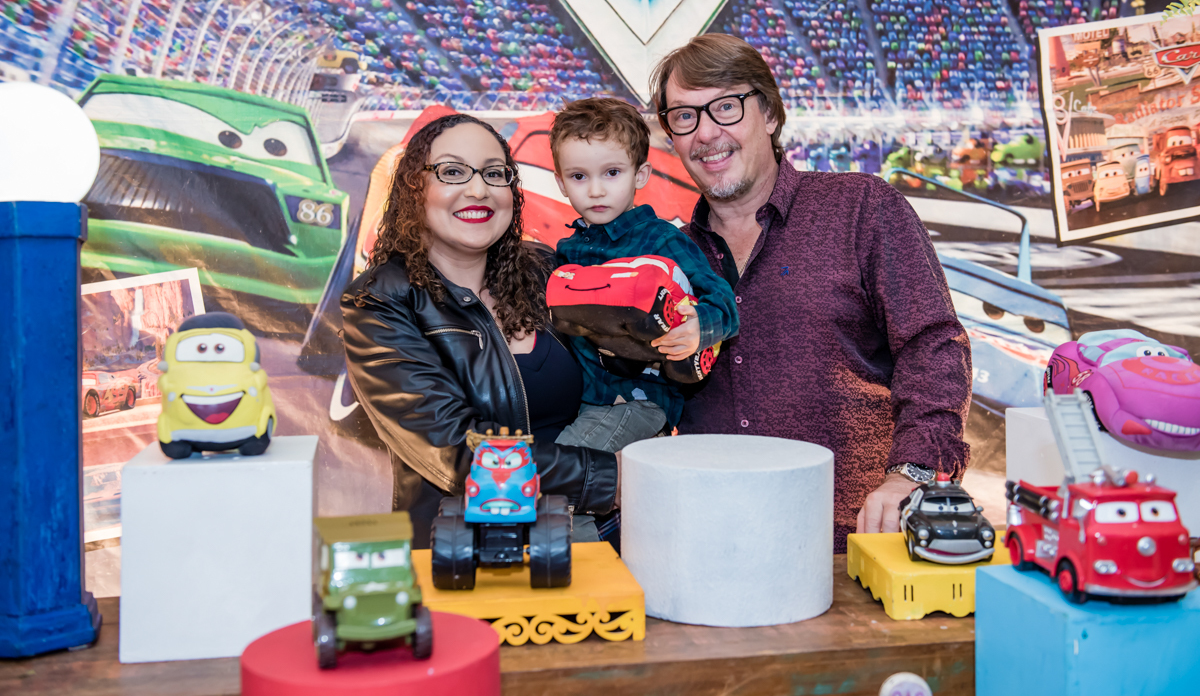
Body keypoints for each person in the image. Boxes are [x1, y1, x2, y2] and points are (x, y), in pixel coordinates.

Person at [649, 35, 972, 552]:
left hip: (852, 547)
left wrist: (912, 473)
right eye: (684, 116)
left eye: (726, 107)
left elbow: (933, 348)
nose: (706, 133)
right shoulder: (668, 259)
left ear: (769, 114)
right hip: (711, 543)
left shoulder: (860, 208)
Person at [340, 113, 618, 546]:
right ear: (415, 187)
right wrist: (612, 479)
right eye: (452, 172)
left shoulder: (545, 270)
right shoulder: (379, 301)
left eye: (493, 173)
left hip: (594, 539)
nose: (478, 190)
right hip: (470, 553)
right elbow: (457, 452)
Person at [547, 97, 740, 491]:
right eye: (579, 176)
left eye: (612, 173)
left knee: (558, 478)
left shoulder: (661, 241)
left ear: (640, 175)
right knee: (578, 493)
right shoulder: (568, 250)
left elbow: (723, 301)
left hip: (639, 402)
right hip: (586, 400)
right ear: (561, 183)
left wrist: (699, 328)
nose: (596, 190)